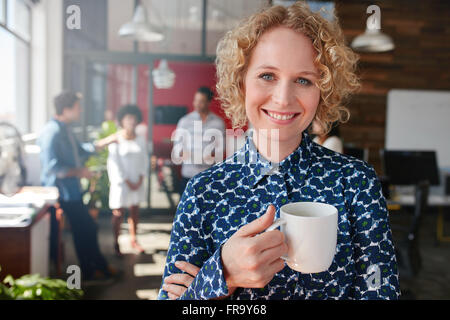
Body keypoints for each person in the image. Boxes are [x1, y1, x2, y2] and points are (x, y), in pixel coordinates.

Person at [158, 2, 400, 300]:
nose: (283, 98)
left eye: (303, 80)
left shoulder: (356, 182)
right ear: (241, 82)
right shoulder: (203, 193)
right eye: (267, 76)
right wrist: (224, 274)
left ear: (322, 91)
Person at [39, 91, 119, 282]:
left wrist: (106, 141)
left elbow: (81, 150)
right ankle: (94, 269)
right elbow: (52, 167)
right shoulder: (52, 132)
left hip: (71, 191)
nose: (80, 111)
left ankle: (92, 270)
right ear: (66, 110)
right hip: (60, 193)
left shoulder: (65, 129)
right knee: (87, 227)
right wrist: (80, 172)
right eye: (77, 107)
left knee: (85, 228)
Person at [107, 105, 149, 256]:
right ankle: (116, 242)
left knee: (134, 210)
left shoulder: (140, 140)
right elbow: (113, 162)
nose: (131, 121)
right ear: (122, 120)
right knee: (118, 213)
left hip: (136, 181)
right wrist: (125, 180)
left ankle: (134, 239)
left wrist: (140, 178)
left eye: (134, 118)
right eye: (128, 118)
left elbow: (145, 159)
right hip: (121, 183)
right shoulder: (116, 139)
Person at [172, 87, 226, 194]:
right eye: (195, 100)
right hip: (188, 175)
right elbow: (177, 146)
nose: (197, 104)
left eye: (201, 101)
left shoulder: (218, 123)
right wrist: (187, 154)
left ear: (209, 102)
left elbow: (221, 148)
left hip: (209, 175)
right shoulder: (184, 121)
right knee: (186, 209)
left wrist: (209, 155)